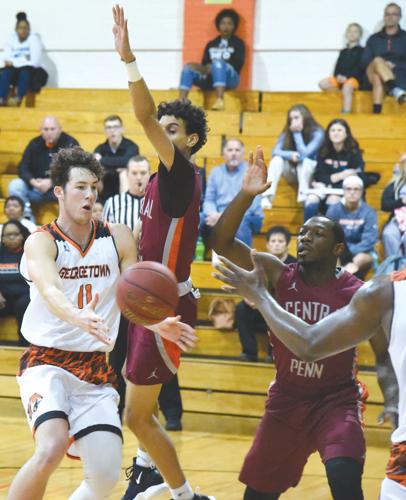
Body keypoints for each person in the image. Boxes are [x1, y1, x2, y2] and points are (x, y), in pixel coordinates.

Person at [213, 174, 406, 500]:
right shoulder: (276, 272)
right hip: (287, 397)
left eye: (317, 233)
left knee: (344, 475)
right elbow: (221, 243)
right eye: (303, 232)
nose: (305, 237)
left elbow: (381, 354)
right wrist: (244, 194)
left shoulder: (362, 291)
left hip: (336, 399)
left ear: (338, 248)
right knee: (257, 494)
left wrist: (393, 403)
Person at [7, 146, 195, 500]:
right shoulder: (41, 241)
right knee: (50, 447)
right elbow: (48, 287)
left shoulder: (117, 236)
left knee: (106, 475)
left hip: (95, 368)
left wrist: (158, 323)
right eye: (80, 187)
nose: (90, 194)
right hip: (46, 362)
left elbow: (133, 297)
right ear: (59, 191)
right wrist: (75, 314)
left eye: (94, 186)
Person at [112, 6, 214, 500]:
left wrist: (129, 59)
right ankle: (146, 469)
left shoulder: (179, 174)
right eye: (165, 129)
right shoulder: (159, 179)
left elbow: (144, 114)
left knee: (134, 413)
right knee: (138, 405)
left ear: (190, 140)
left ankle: (184, 494)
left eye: (174, 130)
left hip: (165, 303)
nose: (162, 133)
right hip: (151, 298)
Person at [103, 154, 183, 429]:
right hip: (123, 286)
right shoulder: (113, 204)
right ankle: (115, 408)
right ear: (127, 174)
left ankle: (173, 412)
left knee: (159, 349)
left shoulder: (158, 203)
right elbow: (105, 241)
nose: (138, 177)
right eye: (134, 172)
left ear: (149, 175)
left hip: (152, 289)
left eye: (143, 173)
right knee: (119, 351)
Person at [236, 225, 296, 362]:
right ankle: (249, 353)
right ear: (268, 245)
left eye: (280, 241)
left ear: (287, 245)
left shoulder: (294, 265)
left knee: (279, 308)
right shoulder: (258, 262)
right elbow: (249, 284)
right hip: (259, 308)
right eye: (273, 241)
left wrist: (266, 302)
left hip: (281, 309)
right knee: (241, 308)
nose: (276, 245)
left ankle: (274, 353)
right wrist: (249, 298)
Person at [201, 139, 263, 257]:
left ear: (242, 153)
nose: (233, 153)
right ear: (223, 153)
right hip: (218, 214)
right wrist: (213, 213)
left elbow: (253, 205)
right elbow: (209, 199)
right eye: (230, 150)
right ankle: (194, 261)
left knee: (240, 221)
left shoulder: (251, 172)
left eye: (237, 150)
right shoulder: (216, 172)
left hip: (247, 214)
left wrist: (224, 217)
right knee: (198, 218)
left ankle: (244, 262)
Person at [8, 116, 79, 219]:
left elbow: (75, 169)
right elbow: (22, 167)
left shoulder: (70, 143)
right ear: (41, 130)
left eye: (52, 129)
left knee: (73, 188)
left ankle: (67, 222)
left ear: (60, 129)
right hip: (36, 189)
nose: (49, 132)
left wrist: (51, 182)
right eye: (45, 129)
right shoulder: (34, 144)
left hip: (60, 189)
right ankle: (26, 218)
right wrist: (34, 182)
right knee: (15, 185)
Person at [179, 8, 244, 111]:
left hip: (231, 79)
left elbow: (238, 64)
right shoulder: (211, 44)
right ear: (218, 25)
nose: (226, 27)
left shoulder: (238, 44)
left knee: (217, 63)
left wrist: (216, 66)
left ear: (234, 26)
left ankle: (220, 100)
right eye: (223, 23)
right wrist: (204, 68)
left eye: (229, 24)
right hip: (211, 78)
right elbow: (204, 64)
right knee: (188, 68)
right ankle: (181, 103)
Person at [261, 104, 324, 209]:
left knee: (306, 162)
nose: (293, 121)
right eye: (291, 119)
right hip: (291, 171)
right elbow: (275, 151)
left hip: (310, 173)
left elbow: (306, 154)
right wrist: (290, 155)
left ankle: (303, 197)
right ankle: (267, 196)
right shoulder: (287, 131)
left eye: (296, 118)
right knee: (276, 160)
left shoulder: (318, 132)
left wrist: (297, 133)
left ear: (305, 117)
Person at [362, 2, 406, 113]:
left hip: (398, 77)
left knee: (378, 77)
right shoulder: (373, 39)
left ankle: (376, 113)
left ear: (399, 17)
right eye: (387, 14)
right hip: (371, 74)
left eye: (394, 14)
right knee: (378, 61)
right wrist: (382, 64)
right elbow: (364, 62)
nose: (390, 17)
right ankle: (394, 89)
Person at [304, 118, 365, 220]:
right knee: (311, 199)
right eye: (333, 130)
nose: (336, 133)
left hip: (344, 191)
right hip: (324, 189)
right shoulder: (323, 150)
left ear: (346, 134)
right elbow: (318, 176)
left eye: (339, 130)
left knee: (333, 200)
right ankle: (307, 233)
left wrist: (331, 180)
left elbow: (358, 177)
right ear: (328, 133)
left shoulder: (354, 153)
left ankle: (331, 234)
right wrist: (341, 175)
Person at [326, 175, 378, 278]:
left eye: (356, 189)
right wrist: (342, 252)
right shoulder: (334, 210)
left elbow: (369, 240)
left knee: (361, 258)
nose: (352, 192)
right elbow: (329, 235)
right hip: (339, 251)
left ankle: (341, 277)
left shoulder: (369, 212)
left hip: (362, 252)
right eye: (348, 189)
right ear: (343, 191)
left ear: (362, 191)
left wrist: (349, 252)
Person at [318, 23, 364, 113]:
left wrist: (346, 78)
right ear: (346, 34)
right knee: (322, 83)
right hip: (340, 79)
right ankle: (341, 96)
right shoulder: (343, 51)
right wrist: (338, 76)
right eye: (350, 31)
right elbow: (337, 67)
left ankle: (346, 111)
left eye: (355, 31)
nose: (352, 33)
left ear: (360, 35)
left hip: (353, 79)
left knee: (347, 87)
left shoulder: (362, 51)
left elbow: (360, 68)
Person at [0, 12, 43, 106]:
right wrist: (23, 59)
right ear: (16, 29)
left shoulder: (33, 39)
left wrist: (15, 62)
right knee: (5, 73)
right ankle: (2, 98)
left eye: (25, 28)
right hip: (14, 70)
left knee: (25, 71)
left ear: (28, 29)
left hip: (29, 70)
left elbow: (34, 61)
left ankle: (18, 98)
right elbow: (7, 57)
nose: (23, 30)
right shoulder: (11, 38)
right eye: (20, 28)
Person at [94, 114, 139, 201]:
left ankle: (124, 204)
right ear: (105, 131)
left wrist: (103, 161)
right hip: (105, 187)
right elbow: (95, 164)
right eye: (109, 128)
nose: (112, 131)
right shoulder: (100, 148)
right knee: (95, 175)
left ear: (122, 129)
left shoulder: (131, 147)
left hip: (127, 186)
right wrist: (117, 166)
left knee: (123, 174)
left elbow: (127, 162)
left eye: (116, 127)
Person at [0, 220, 31, 346]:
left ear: (22, 236)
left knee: (22, 304)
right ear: (2, 238)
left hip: (25, 298)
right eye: (8, 235)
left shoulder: (30, 253)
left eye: (15, 234)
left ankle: (23, 346)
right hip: (4, 300)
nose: (12, 237)